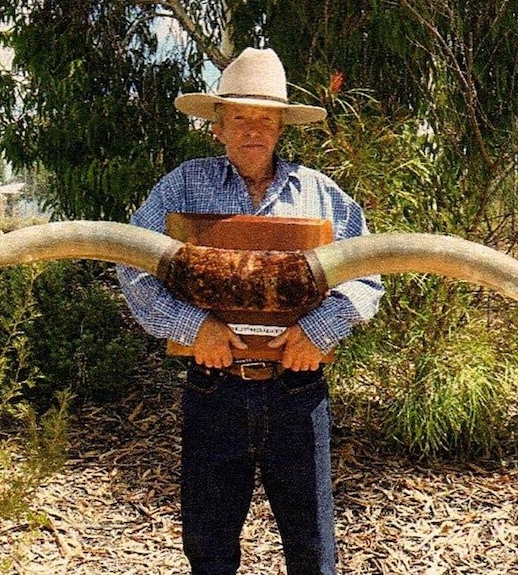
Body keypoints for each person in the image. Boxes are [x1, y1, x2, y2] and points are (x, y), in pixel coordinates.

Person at [116, 47, 384, 575]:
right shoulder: (181, 186)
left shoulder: (322, 196)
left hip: (297, 393)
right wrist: (193, 328)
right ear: (218, 126)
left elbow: (368, 277)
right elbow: (132, 265)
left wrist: (319, 330)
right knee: (210, 548)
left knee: (313, 550)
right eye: (240, 116)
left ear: (282, 126)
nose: (253, 129)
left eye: (265, 117)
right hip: (213, 389)